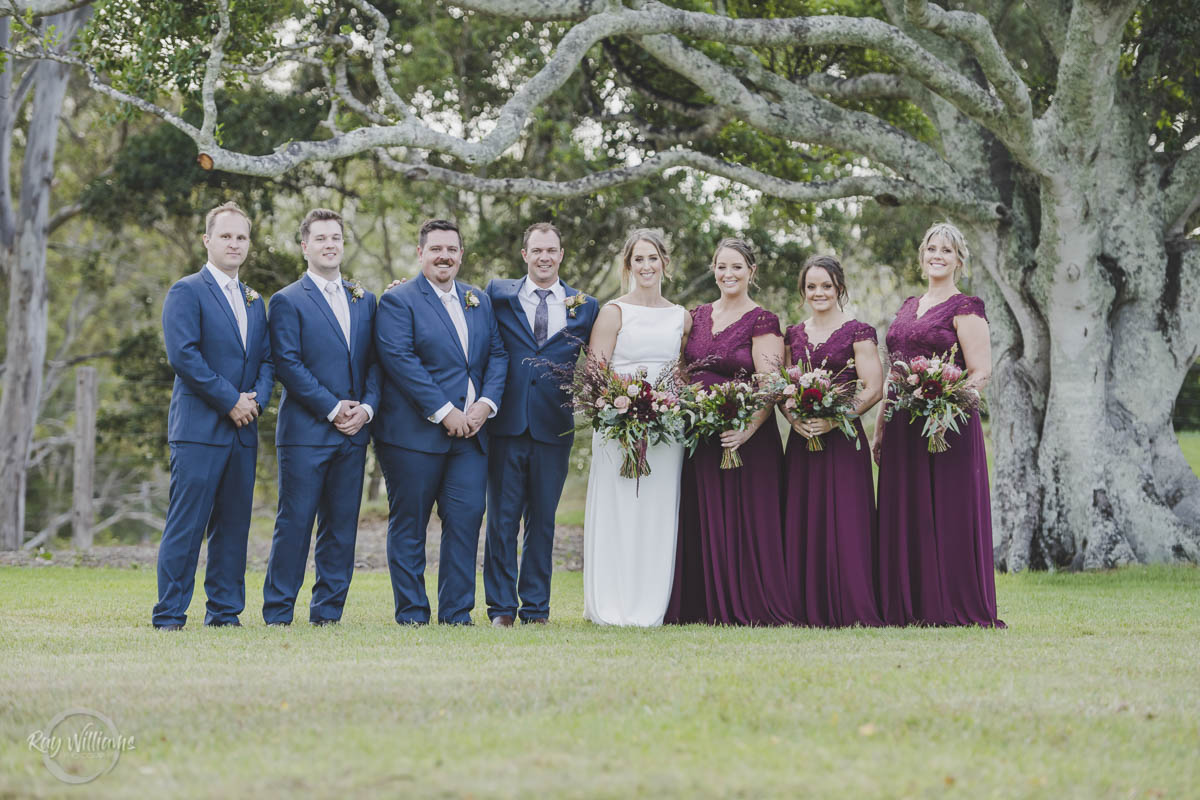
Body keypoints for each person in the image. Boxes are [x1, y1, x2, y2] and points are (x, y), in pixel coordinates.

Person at [374, 219, 508, 626]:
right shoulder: (398, 301)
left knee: (467, 519)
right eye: (435, 249)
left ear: (461, 254)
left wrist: (485, 404)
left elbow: (497, 355)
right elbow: (400, 361)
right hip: (413, 437)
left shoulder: (478, 300)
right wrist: (444, 410)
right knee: (410, 525)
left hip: (470, 436)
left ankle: (456, 613)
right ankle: (413, 613)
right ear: (420, 254)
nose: (444, 256)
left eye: (451, 249)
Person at [872, 222, 1005, 628]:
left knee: (947, 512)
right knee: (905, 511)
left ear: (959, 260)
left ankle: (948, 604)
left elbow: (980, 371)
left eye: (946, 250)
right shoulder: (908, 306)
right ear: (922, 255)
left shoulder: (966, 308)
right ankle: (905, 604)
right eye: (932, 248)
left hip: (946, 425)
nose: (937, 255)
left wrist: (943, 402)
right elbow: (893, 373)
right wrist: (879, 428)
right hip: (901, 426)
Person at [153, 201, 274, 630]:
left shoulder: (256, 300)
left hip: (242, 431)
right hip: (200, 430)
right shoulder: (187, 291)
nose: (234, 243)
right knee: (187, 526)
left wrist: (256, 399)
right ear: (208, 240)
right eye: (226, 236)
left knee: (234, 526)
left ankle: (224, 614)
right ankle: (169, 614)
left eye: (241, 237)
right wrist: (230, 400)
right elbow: (184, 356)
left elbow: (266, 359)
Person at [665, 238, 799, 626]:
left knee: (747, 520)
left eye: (737, 267)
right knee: (703, 517)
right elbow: (683, 371)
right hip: (702, 434)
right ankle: (701, 605)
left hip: (748, 440)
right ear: (713, 269)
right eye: (722, 267)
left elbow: (771, 382)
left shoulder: (763, 321)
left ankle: (751, 604)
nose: (728, 274)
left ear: (751, 272)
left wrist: (745, 428)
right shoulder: (696, 315)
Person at [261, 208, 379, 627]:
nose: (330, 245)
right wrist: (333, 407)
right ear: (304, 246)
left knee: (341, 527)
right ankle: (277, 613)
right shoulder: (288, 300)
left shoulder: (364, 299)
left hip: (353, 434)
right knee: (294, 525)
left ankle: (328, 614)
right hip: (306, 433)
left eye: (336, 238)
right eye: (322, 238)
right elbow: (288, 364)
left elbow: (374, 363)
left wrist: (365, 408)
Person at [483, 222, 598, 627]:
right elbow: (454, 307)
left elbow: (601, 356)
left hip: (554, 427)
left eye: (552, 250)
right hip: (505, 425)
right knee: (501, 522)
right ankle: (500, 609)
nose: (545, 257)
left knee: (543, 523)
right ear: (525, 255)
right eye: (537, 250)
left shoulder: (585, 305)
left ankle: (536, 609)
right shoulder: (497, 294)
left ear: (561, 255)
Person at [583, 229, 690, 627]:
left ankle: (651, 603)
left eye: (653, 258)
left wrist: (664, 406)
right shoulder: (614, 312)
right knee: (618, 509)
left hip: (666, 430)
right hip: (616, 427)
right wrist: (620, 410)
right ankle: (611, 602)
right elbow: (595, 372)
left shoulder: (681, 316)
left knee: (657, 511)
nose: (646, 266)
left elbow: (679, 372)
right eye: (638, 260)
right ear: (628, 266)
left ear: (664, 263)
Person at [781, 255, 884, 627]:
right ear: (803, 291)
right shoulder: (792, 334)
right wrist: (795, 419)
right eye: (811, 286)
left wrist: (835, 418)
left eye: (826, 285)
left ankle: (851, 606)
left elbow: (874, 387)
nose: (818, 292)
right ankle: (800, 607)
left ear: (839, 287)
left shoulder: (859, 331)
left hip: (842, 438)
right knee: (802, 517)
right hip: (802, 440)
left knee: (846, 520)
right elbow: (783, 389)